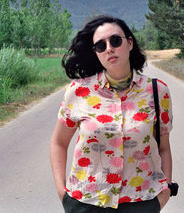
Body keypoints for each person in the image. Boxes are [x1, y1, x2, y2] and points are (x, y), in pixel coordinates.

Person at [49, 16, 174, 212]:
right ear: (96, 53)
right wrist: (62, 192)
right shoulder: (79, 91)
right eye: (100, 45)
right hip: (86, 202)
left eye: (115, 41)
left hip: (140, 201)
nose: (109, 48)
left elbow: (164, 148)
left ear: (130, 43)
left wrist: (164, 192)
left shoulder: (157, 91)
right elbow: (58, 143)